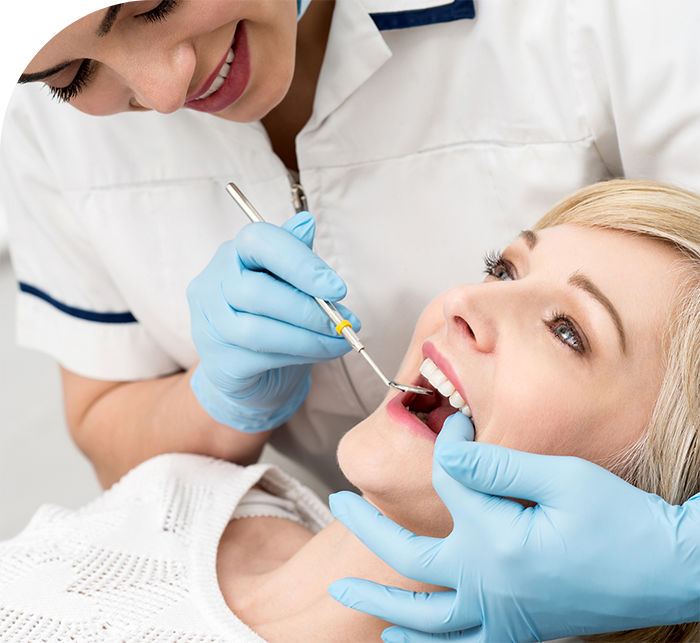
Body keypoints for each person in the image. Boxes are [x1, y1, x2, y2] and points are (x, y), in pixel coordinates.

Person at [4, 1, 700, 639]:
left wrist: (684, 563)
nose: (163, 92)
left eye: (568, 330)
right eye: (70, 75)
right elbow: (105, 415)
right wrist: (215, 399)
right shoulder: (171, 516)